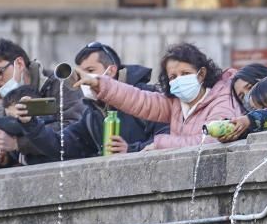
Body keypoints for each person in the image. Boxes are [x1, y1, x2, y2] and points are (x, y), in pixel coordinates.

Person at [19, 42, 169, 160]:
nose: (83, 78)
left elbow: (169, 137)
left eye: (90, 71)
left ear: (111, 71)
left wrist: (131, 150)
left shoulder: (147, 95)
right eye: (81, 71)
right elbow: (62, 146)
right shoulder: (92, 114)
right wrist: (30, 123)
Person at [78, 42, 240, 150]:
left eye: (185, 73)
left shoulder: (222, 98)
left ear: (201, 74)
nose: (179, 80)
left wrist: (160, 143)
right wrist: (99, 83)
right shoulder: (175, 103)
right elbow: (137, 99)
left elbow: (212, 141)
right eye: (173, 77)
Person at [0, 38, 83, 136]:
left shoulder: (60, 83)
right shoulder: (10, 94)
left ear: (19, 64)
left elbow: (73, 128)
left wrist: (19, 143)